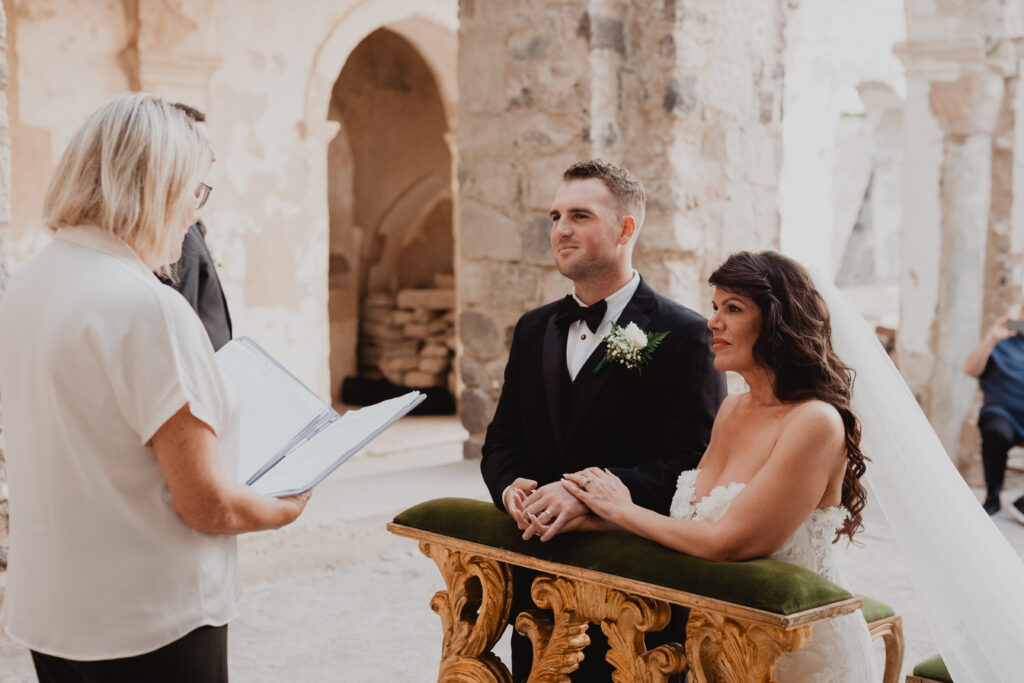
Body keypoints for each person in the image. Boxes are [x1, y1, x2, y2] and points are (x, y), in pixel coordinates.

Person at [0, 93, 310, 682]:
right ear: (155, 184)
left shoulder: (31, 282)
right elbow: (206, 503)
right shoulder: (147, 307)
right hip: (150, 622)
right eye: (196, 192)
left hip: (57, 616)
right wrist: (285, 508)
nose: (196, 214)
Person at [562, 251, 876, 681]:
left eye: (733, 309)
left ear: (777, 322)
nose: (713, 322)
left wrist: (622, 508)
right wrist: (587, 516)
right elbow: (687, 524)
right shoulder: (731, 409)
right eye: (714, 307)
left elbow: (727, 543)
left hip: (795, 654)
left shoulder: (814, 422)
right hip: (715, 643)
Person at [481, 158, 726, 681]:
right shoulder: (533, 329)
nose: (561, 229)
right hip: (536, 580)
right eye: (554, 216)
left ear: (625, 229)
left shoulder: (684, 335)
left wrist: (584, 493)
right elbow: (502, 440)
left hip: (635, 592)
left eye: (580, 215)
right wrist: (511, 492)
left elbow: (693, 465)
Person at [158, 102, 233, 351]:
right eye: (203, 143)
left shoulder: (190, 225)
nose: (214, 155)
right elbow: (182, 318)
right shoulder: (181, 235)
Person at [962, 298, 1024, 520]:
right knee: (996, 430)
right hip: (1002, 412)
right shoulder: (1002, 339)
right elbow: (970, 369)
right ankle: (993, 496)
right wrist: (990, 339)